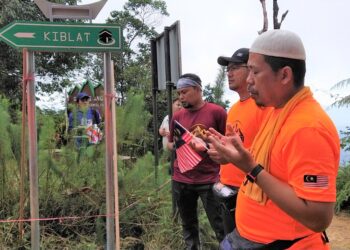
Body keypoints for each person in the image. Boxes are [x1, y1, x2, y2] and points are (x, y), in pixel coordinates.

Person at [207, 29, 340, 249]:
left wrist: (251, 168)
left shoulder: (308, 128)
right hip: (250, 238)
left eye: (255, 72)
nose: (248, 81)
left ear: (285, 75)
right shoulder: (276, 111)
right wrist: (233, 154)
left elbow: (319, 217)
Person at [213, 48, 270, 236]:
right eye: (227, 69)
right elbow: (233, 146)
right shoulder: (235, 108)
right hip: (226, 189)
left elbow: (268, 150)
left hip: (250, 190)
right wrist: (216, 149)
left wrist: (231, 156)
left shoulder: (264, 106)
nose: (229, 73)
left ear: (252, 70)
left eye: (235, 68)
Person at [167, 73, 227, 249]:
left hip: (210, 179)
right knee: (188, 227)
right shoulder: (177, 116)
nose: (181, 97)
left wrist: (207, 144)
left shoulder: (217, 112)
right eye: (179, 93)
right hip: (182, 179)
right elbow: (170, 144)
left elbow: (228, 142)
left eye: (185, 92)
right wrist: (182, 144)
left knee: (220, 226)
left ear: (198, 89)